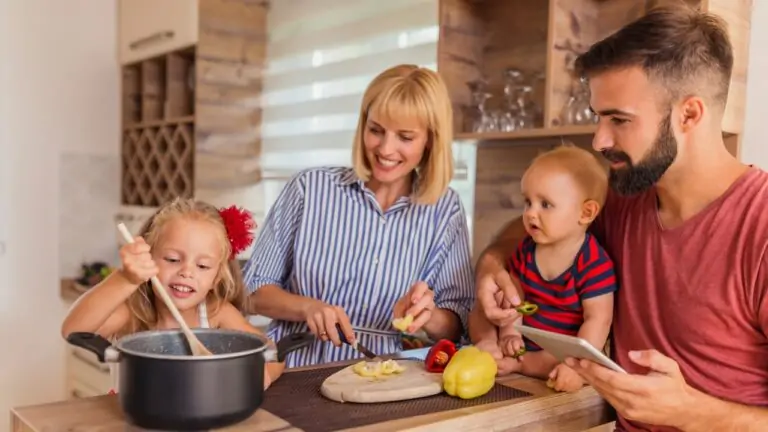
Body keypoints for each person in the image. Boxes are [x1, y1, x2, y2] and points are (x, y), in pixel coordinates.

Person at [472, 4, 768, 431]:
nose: (599, 139)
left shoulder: (758, 229)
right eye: (598, 116)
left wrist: (692, 412)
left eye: (620, 120)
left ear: (689, 115)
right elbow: (525, 234)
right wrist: (492, 267)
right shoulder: (621, 199)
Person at [242, 64, 474, 368]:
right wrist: (308, 308)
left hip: (381, 376)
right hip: (291, 369)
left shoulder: (445, 210)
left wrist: (427, 317)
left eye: (405, 137)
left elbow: (460, 324)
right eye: (376, 130)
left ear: (430, 140)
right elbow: (252, 291)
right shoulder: (309, 189)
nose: (385, 148)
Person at [61, 198, 285, 390]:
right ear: (149, 258)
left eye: (203, 266)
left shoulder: (216, 312)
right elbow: (73, 330)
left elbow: (274, 355)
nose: (186, 272)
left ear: (216, 278)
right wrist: (125, 279)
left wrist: (259, 377)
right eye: (172, 260)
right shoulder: (132, 313)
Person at [480, 145, 618, 393]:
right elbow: (515, 296)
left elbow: (598, 319)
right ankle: (516, 361)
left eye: (545, 204)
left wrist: (578, 366)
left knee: (560, 360)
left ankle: (521, 365)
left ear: (586, 213)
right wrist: (510, 333)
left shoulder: (594, 263)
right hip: (526, 343)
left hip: (562, 353)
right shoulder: (526, 249)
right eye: (527, 202)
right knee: (501, 299)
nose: (531, 213)